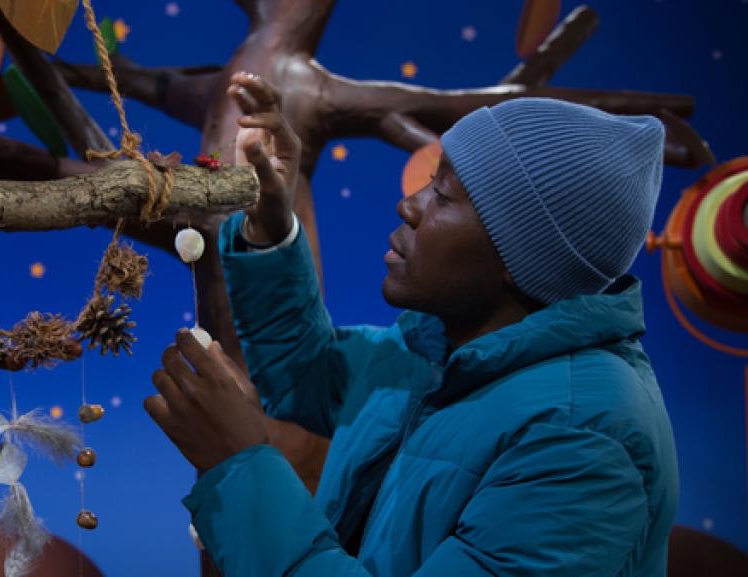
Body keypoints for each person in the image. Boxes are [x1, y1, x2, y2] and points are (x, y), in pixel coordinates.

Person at [144, 71, 679, 577]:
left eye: (442, 194)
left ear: (522, 255)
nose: (408, 205)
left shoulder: (582, 442)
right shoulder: (435, 351)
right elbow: (304, 371)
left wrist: (240, 467)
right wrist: (271, 226)